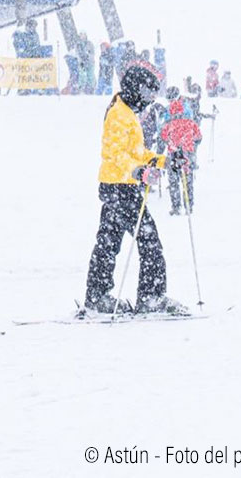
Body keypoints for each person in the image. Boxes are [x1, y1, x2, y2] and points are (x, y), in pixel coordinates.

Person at [83, 64, 185, 315]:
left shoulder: (127, 113)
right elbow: (116, 154)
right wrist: (138, 172)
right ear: (134, 89)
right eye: (147, 93)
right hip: (121, 188)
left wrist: (165, 161)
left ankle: (97, 295)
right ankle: (150, 296)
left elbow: (136, 153)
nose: (149, 100)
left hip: (117, 186)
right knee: (149, 239)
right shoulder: (119, 115)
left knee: (108, 241)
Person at [160, 98, 202, 215]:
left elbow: (163, 137)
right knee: (188, 182)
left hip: (173, 155)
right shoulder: (190, 123)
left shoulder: (168, 125)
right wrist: (192, 144)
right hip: (187, 155)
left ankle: (176, 206)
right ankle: (189, 206)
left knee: (174, 183)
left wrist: (170, 141)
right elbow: (198, 136)